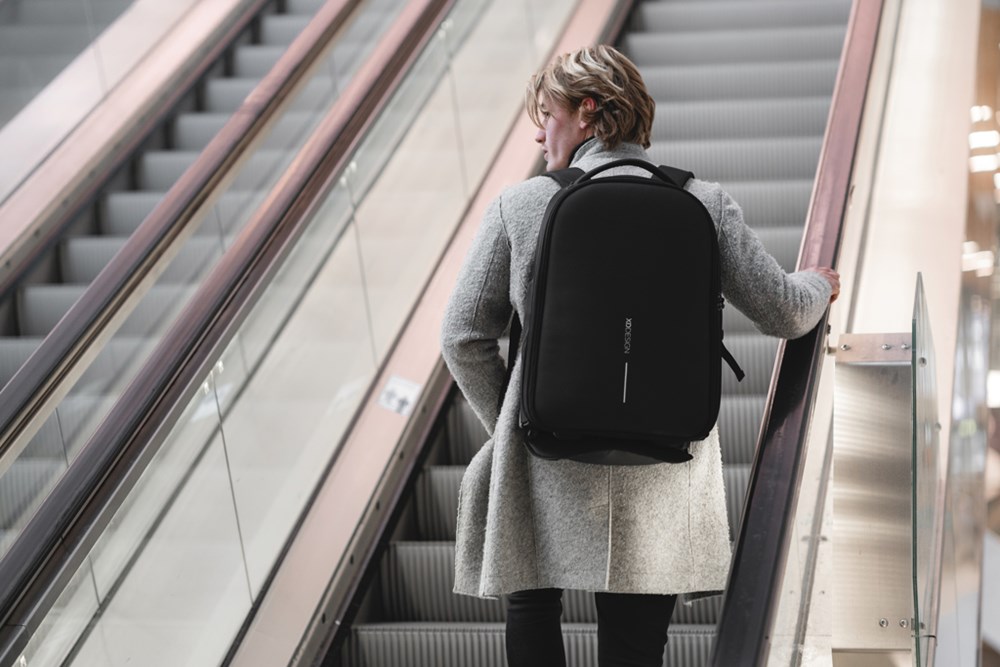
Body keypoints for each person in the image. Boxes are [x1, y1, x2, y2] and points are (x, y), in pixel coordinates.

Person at [440, 44, 840, 667]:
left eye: (547, 114)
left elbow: (462, 334)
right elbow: (786, 312)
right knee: (634, 643)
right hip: (662, 463)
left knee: (533, 609)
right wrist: (821, 282)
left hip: (544, 451)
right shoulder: (703, 203)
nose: (541, 134)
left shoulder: (520, 206)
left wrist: (512, 426)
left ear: (588, 110)